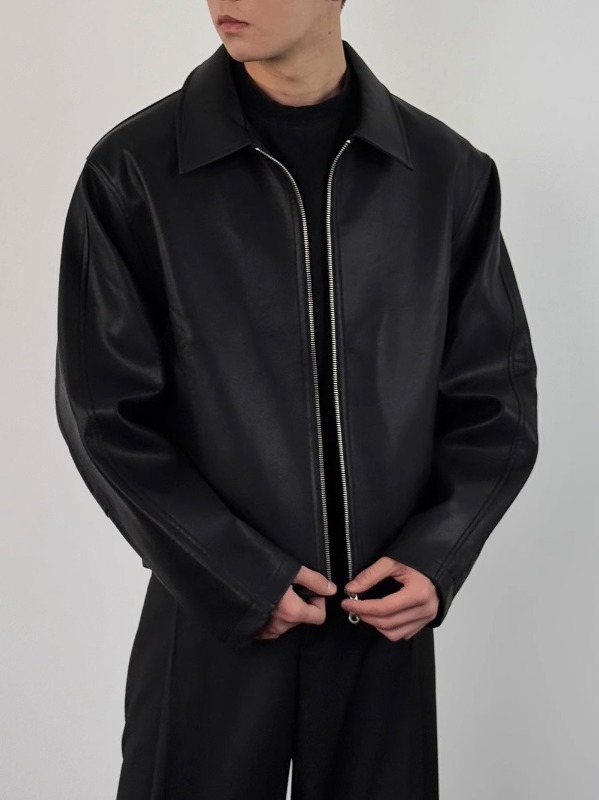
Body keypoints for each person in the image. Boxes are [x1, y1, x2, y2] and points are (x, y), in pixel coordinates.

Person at [54, 1, 539, 798]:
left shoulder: (444, 172)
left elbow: (495, 400)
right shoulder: (134, 169)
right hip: (211, 618)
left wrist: (435, 555)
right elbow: (104, 415)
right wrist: (235, 574)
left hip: (380, 620)